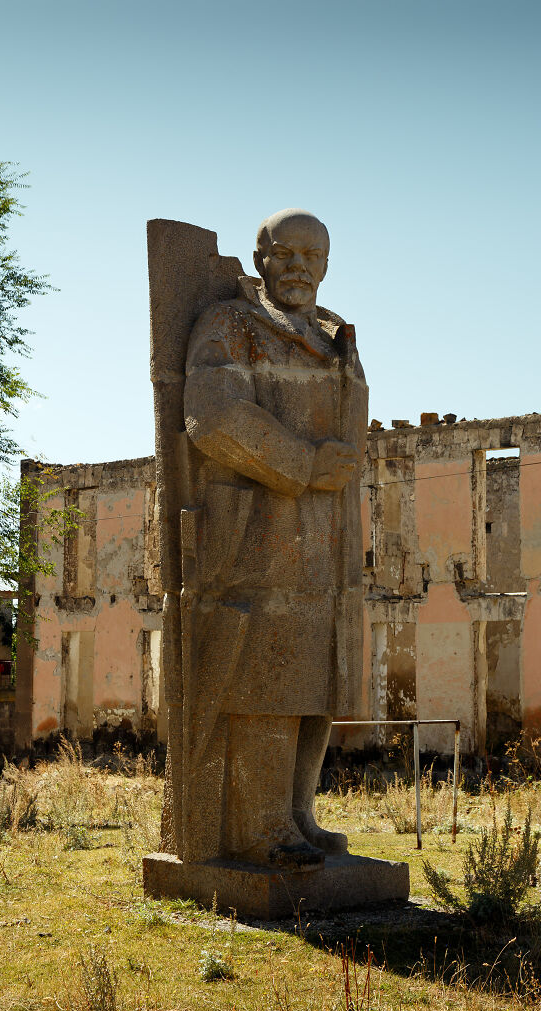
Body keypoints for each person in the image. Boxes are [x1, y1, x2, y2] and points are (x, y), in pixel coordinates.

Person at [181, 208, 368, 867]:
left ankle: (298, 814)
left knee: (320, 681)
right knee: (268, 675)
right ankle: (260, 828)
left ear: (327, 265)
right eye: (285, 253)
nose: (298, 268)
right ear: (260, 258)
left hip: (331, 536)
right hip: (259, 531)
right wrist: (302, 463)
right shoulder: (232, 324)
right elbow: (212, 416)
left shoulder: (336, 335)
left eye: (312, 257)